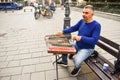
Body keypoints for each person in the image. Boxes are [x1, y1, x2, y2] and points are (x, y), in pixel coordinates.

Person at [56, 5, 101, 76]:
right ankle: (64, 61)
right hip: (77, 45)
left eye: (86, 13)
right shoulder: (82, 21)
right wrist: (63, 31)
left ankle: (78, 67)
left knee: (76, 60)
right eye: (83, 12)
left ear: (92, 14)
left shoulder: (96, 25)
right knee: (65, 47)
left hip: (87, 48)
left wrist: (81, 38)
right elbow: (73, 28)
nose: (84, 14)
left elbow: (94, 40)